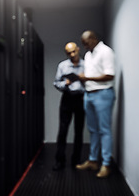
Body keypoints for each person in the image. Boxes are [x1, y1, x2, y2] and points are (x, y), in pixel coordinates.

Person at [76, 30, 116, 178]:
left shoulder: (106, 52)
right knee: (93, 130)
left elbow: (109, 75)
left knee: (104, 130)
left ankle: (106, 164)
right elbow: (90, 76)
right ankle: (93, 161)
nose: (85, 47)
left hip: (103, 94)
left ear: (94, 39)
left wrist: (87, 78)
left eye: (86, 43)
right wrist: (86, 86)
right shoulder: (88, 54)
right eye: (83, 44)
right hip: (89, 94)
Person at [52, 42, 85, 170]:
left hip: (81, 99)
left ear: (78, 50)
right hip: (67, 98)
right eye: (69, 53)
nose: (72, 54)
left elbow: (91, 84)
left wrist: (84, 80)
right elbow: (56, 83)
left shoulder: (86, 65)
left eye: (73, 51)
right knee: (62, 131)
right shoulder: (63, 65)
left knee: (79, 131)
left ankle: (76, 160)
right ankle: (59, 161)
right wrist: (65, 83)